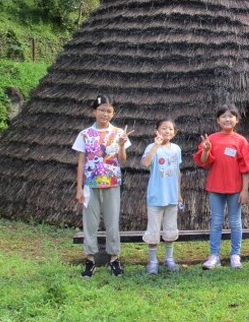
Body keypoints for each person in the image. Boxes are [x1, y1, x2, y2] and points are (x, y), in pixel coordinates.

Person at [73, 94, 133, 278]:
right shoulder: (85, 134)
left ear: (113, 114)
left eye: (108, 111)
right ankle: (90, 260)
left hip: (112, 183)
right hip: (90, 185)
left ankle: (114, 258)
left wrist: (122, 145)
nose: (104, 114)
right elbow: (81, 162)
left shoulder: (118, 134)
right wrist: (79, 188)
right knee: (89, 224)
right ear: (94, 111)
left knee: (112, 223)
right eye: (101, 110)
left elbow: (123, 162)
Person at [194, 104, 249, 270]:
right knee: (216, 222)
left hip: (235, 188)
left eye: (231, 116)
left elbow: (245, 168)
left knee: (235, 222)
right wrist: (206, 150)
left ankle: (235, 255)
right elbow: (204, 162)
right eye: (223, 116)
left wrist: (244, 190)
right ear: (218, 120)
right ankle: (214, 255)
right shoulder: (212, 139)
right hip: (216, 187)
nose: (227, 119)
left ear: (237, 120)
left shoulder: (241, 141)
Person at [141, 118, 182, 275]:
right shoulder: (152, 147)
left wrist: (179, 194)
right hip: (156, 196)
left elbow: (178, 172)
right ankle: (153, 261)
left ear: (175, 132)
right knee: (153, 230)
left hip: (171, 196)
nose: (167, 131)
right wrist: (156, 146)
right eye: (164, 128)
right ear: (156, 131)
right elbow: (145, 163)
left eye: (170, 129)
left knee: (171, 229)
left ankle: (169, 259)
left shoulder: (176, 149)